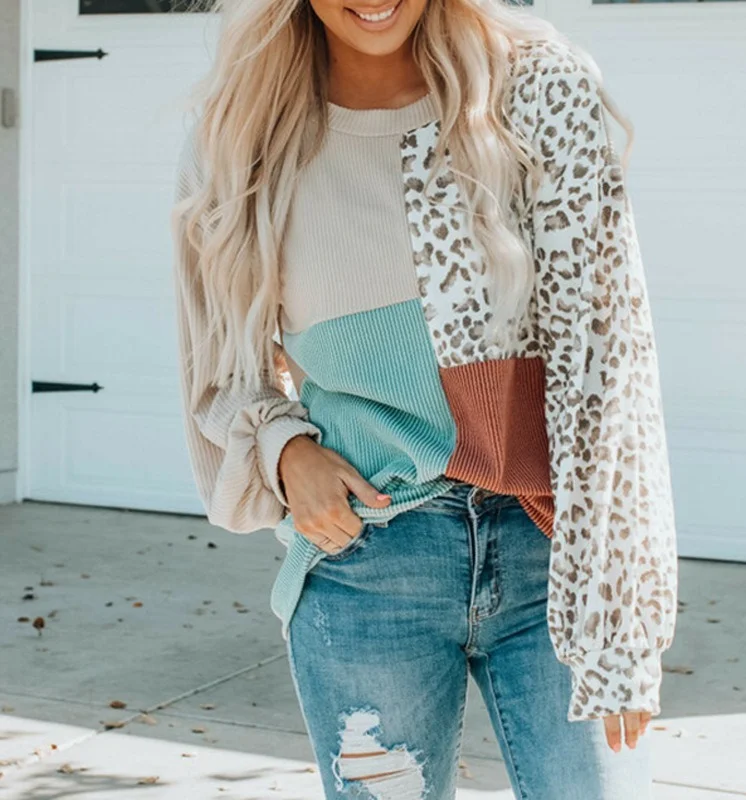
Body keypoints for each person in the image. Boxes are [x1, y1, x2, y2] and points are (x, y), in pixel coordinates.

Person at [170, 0, 679, 796]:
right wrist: (284, 450)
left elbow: (610, 365)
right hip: (370, 559)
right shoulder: (242, 138)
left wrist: (623, 608)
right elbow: (216, 361)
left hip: (555, 549)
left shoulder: (535, 91)